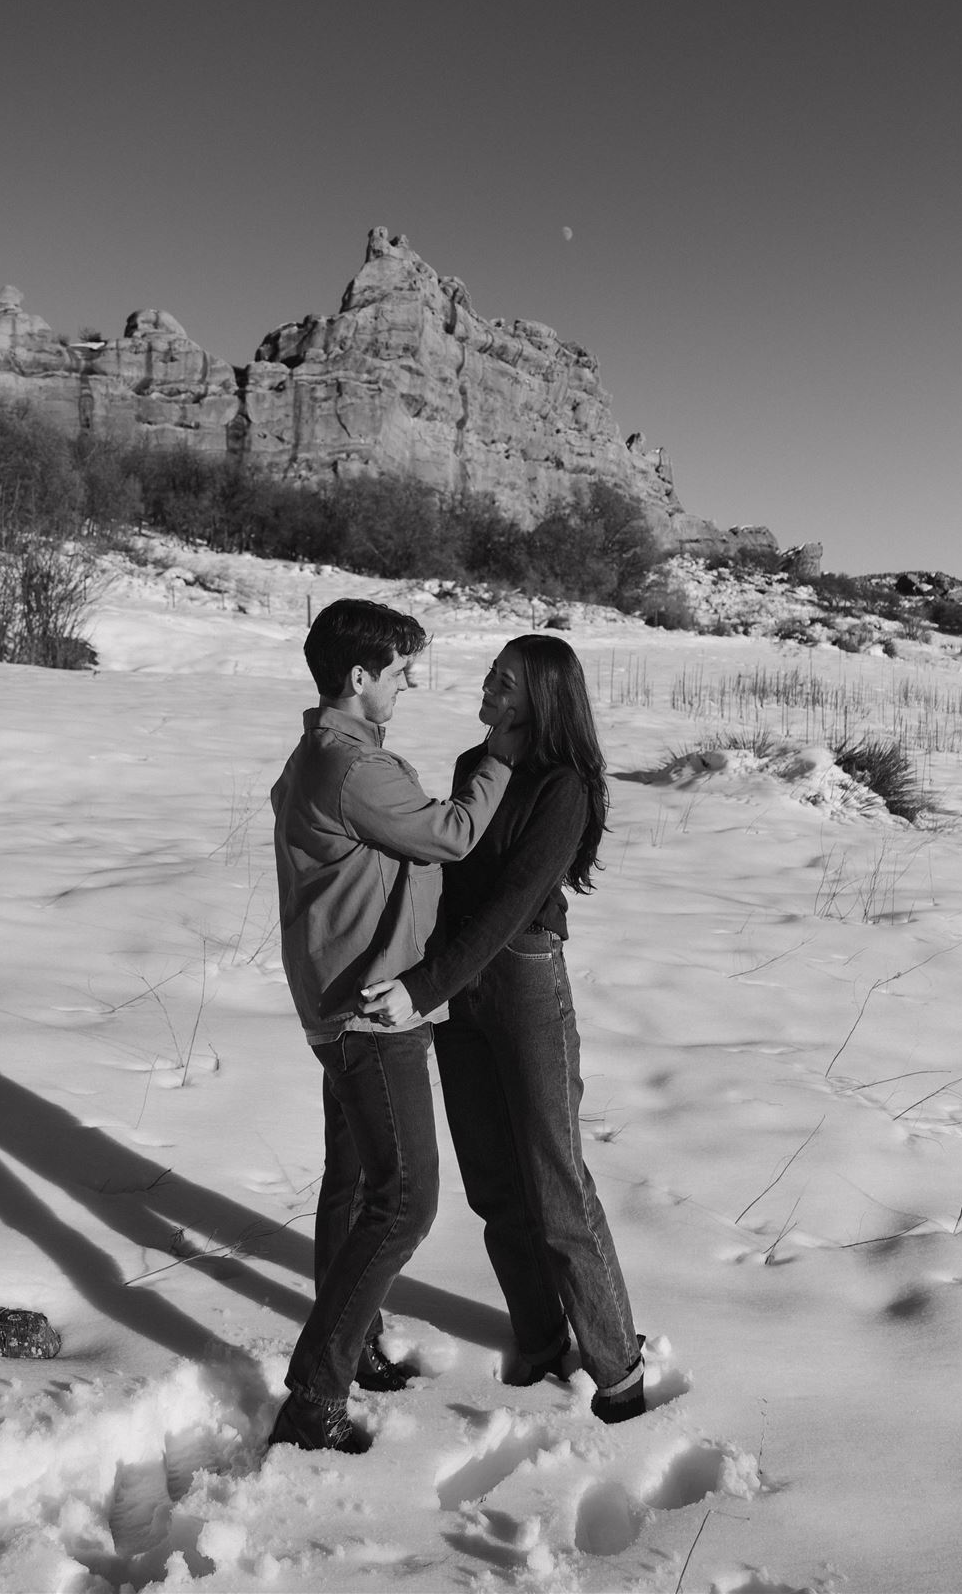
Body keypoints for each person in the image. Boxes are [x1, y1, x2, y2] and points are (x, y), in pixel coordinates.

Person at [361, 635, 645, 1425]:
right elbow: (447, 875)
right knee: (491, 1184)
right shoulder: (470, 766)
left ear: (542, 697)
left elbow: (513, 900)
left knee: (555, 1183)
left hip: (520, 978)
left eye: (505, 681)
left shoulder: (566, 786)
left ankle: (617, 1367)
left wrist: (424, 985)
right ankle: (541, 1341)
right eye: (491, 674)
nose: (487, 686)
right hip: (458, 980)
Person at [267, 598, 518, 1455]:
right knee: (405, 1202)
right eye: (403, 670)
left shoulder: (331, 755)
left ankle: (357, 1340)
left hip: (340, 997)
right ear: (358, 677)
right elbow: (448, 835)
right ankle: (312, 1396)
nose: (413, 683)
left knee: (355, 1187)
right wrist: (499, 762)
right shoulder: (351, 767)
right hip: (372, 1009)